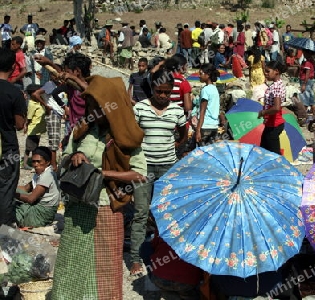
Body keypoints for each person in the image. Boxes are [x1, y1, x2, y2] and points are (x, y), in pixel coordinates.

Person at [51, 75, 148, 299]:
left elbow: (140, 175)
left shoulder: (127, 135)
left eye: (98, 105)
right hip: (79, 205)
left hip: (106, 206)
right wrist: (74, 156)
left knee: (105, 266)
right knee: (73, 259)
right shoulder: (83, 128)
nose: (92, 109)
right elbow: (64, 158)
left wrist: (103, 174)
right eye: (90, 104)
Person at [133, 67, 187, 273]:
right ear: (152, 89)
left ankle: (165, 256)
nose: (163, 96)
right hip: (143, 167)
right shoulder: (139, 108)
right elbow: (131, 134)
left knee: (166, 212)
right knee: (140, 212)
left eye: (167, 92)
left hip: (168, 168)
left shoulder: (176, 110)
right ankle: (136, 258)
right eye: (159, 91)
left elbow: (183, 132)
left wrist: (177, 145)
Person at [0, 47, 27, 226]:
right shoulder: (14, 92)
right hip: (8, 149)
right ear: (12, 67)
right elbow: (19, 125)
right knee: (6, 190)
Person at [14, 146, 59, 228]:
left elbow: (31, 199)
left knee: (11, 211)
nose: (35, 165)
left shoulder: (47, 175)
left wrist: (11, 194)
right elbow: (25, 188)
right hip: (38, 205)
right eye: (34, 162)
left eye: (38, 162)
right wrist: (8, 188)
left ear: (47, 162)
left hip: (42, 213)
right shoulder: (40, 173)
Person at [32, 77, 67, 171]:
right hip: (53, 114)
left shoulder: (56, 85)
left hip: (57, 114)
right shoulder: (50, 84)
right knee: (54, 140)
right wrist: (46, 105)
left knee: (56, 139)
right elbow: (36, 94)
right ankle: (53, 165)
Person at [256, 61, 286, 155]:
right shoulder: (276, 85)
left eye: (268, 71)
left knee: (274, 153)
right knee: (264, 150)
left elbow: (276, 108)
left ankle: (279, 168)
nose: (266, 74)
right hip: (271, 123)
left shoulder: (276, 86)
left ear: (276, 71)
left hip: (274, 124)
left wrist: (263, 113)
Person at [22, 84, 46, 171]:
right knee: (29, 147)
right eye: (37, 92)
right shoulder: (32, 104)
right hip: (33, 129)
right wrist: (26, 126)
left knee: (35, 146)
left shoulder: (39, 102)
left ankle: (32, 162)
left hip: (38, 129)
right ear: (32, 93)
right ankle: (25, 163)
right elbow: (29, 117)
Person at [195, 63, 220, 146]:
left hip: (205, 126)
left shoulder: (205, 90)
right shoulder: (215, 89)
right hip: (214, 126)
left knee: (202, 154)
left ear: (208, 75)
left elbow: (202, 111)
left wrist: (198, 130)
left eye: (201, 74)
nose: (199, 76)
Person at [299, 49, 315, 115]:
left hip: (306, 81)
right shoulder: (312, 61)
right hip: (310, 81)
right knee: (312, 100)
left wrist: (304, 84)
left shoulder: (307, 63)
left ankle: (303, 116)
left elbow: (307, 73)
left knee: (305, 100)